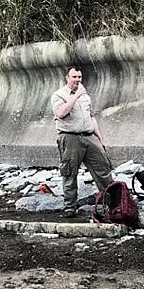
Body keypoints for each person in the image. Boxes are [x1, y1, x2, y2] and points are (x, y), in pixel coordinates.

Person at [51, 66, 114, 217]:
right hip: (70, 137)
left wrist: (100, 137)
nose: (77, 80)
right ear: (67, 78)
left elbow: (91, 116)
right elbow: (60, 113)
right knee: (69, 172)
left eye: (79, 77)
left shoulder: (86, 96)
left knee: (103, 168)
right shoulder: (59, 95)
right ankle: (70, 207)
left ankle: (113, 204)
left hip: (88, 135)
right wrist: (76, 95)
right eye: (74, 77)